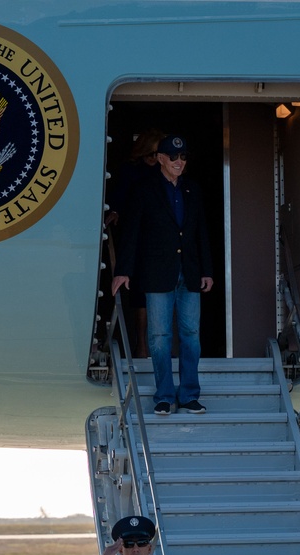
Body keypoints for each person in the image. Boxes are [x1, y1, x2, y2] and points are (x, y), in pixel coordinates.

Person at [112, 134, 214, 416]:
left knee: (191, 335)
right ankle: (164, 396)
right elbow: (132, 232)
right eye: (173, 157)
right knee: (159, 336)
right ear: (160, 159)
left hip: (190, 273)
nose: (179, 162)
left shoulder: (192, 189)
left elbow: (200, 232)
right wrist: (123, 271)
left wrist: (207, 270)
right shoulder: (144, 190)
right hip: (157, 273)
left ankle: (190, 394)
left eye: (183, 158)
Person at [106, 129, 165, 359]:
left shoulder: (165, 173)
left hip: (160, 239)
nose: (156, 160)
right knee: (140, 293)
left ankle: (160, 348)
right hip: (137, 239)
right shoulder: (131, 171)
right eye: (153, 155)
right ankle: (142, 346)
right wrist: (115, 212)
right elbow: (119, 198)